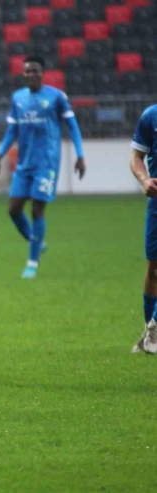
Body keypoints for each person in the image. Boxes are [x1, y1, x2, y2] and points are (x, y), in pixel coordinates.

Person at [0, 55, 85, 279]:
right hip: (24, 164)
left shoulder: (56, 97)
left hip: (47, 163)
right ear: (22, 74)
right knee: (13, 209)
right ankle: (37, 240)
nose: (31, 74)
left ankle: (32, 262)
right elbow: (12, 131)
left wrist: (80, 155)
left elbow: (72, 126)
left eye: (35, 71)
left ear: (42, 73)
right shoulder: (18, 98)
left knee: (36, 210)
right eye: (27, 71)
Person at [130, 104, 157, 354]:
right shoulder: (151, 115)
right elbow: (136, 158)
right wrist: (145, 180)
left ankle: (155, 328)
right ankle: (149, 331)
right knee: (153, 268)